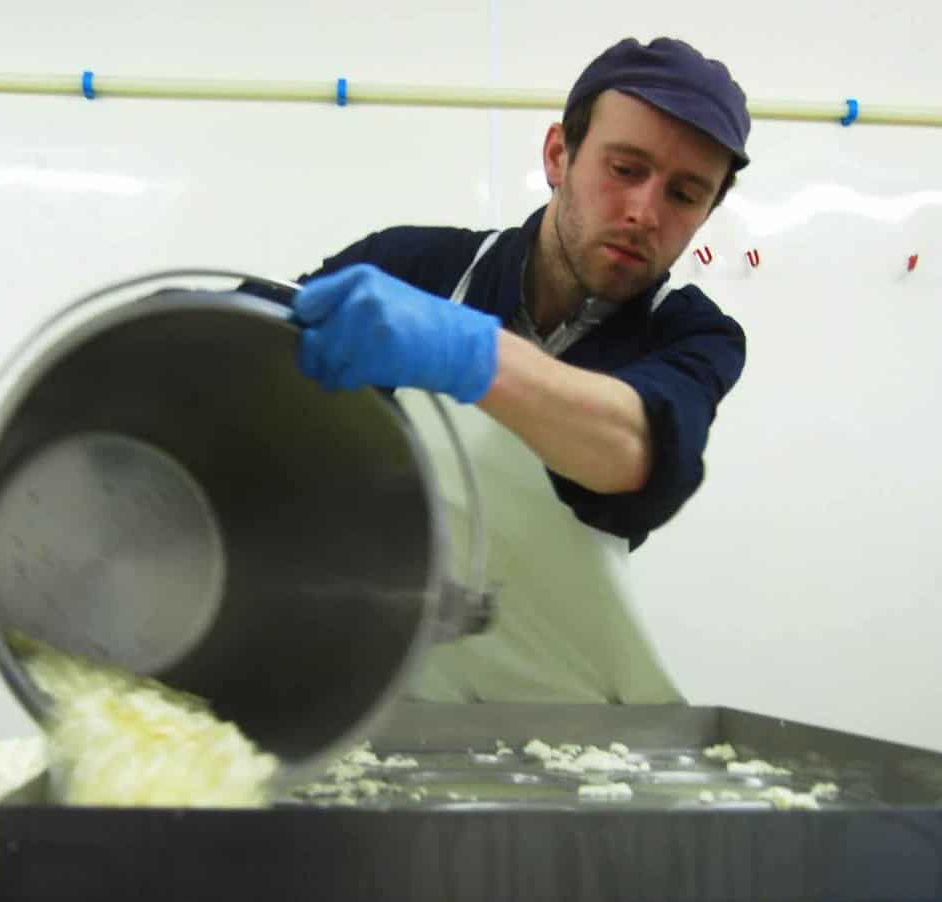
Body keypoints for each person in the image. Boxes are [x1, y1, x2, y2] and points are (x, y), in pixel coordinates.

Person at [291, 37, 750, 705]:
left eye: (684, 194)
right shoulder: (410, 267)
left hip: (571, 730)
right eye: (625, 169)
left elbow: (639, 452)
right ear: (559, 154)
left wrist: (467, 352)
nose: (645, 213)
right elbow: (244, 347)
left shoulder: (692, 333)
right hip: (379, 701)